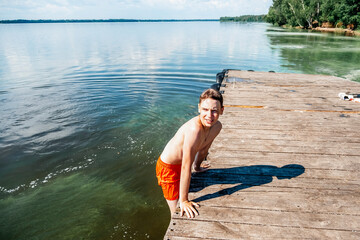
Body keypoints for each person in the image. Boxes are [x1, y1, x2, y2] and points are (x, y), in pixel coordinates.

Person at [156, 88, 224, 218]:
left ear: (222, 110)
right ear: (199, 108)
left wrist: (197, 167)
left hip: (183, 164)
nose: (209, 115)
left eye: (214, 111)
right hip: (168, 168)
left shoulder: (217, 127)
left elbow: (204, 148)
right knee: (177, 212)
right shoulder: (194, 129)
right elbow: (185, 167)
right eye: (205, 109)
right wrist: (184, 201)